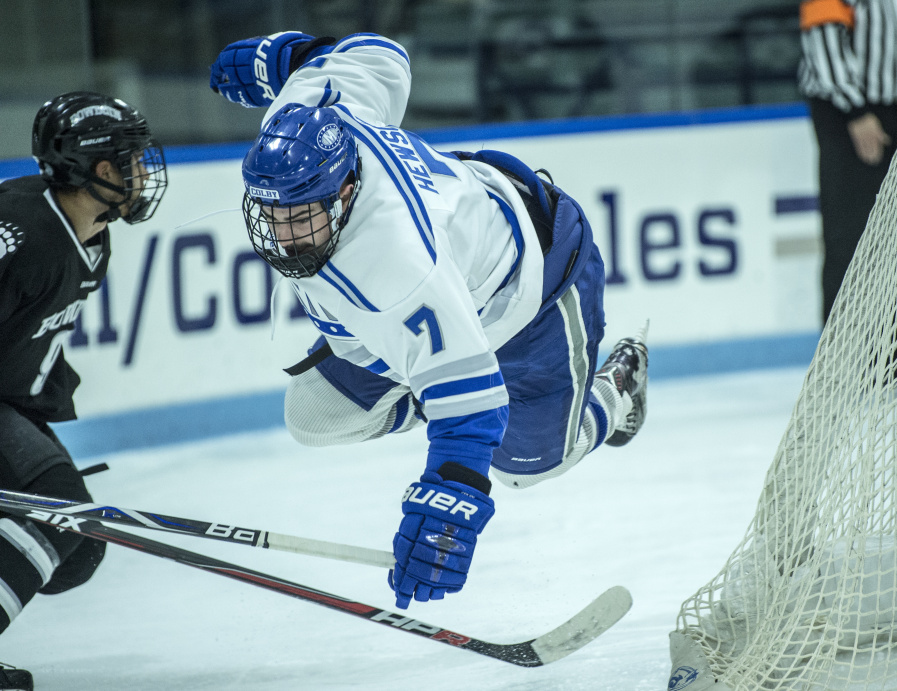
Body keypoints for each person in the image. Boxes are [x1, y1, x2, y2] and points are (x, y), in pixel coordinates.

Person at [209, 32, 649, 609]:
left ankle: (616, 388)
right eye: (270, 210)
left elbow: (471, 408)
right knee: (313, 417)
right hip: (455, 262)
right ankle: (427, 388)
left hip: (530, 294)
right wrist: (291, 56)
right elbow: (379, 52)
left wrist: (449, 501)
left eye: (301, 215)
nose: (282, 235)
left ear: (344, 194)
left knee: (526, 466)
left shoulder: (395, 261)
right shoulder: (307, 114)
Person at [0, 91, 168, 688]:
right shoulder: (19, 232)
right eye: (133, 158)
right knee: (54, 500)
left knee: (78, 546)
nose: (144, 172)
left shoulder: (90, 236)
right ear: (100, 169)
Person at [798, 0, 897, 324]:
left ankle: (888, 358)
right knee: (849, 239)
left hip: (892, 111)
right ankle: (842, 361)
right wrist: (856, 113)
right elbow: (824, 44)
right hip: (845, 114)